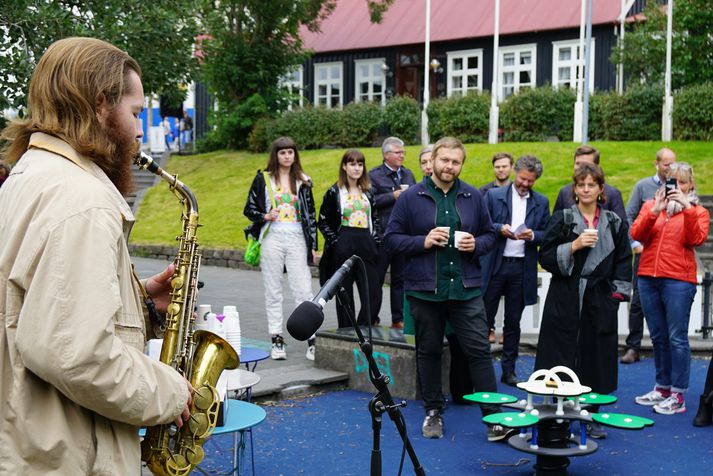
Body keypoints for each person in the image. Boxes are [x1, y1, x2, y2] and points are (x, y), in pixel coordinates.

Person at [0, 37, 191, 473]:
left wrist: (140, 302)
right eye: (136, 112)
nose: (141, 130)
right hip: (67, 454)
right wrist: (171, 392)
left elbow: (36, 310)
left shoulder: (28, 177)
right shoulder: (82, 200)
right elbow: (73, 352)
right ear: (102, 104)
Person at [385, 137, 506, 442]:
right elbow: (390, 239)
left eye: (456, 162)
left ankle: (493, 417)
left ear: (461, 164)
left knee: (479, 351)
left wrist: (476, 245)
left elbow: (490, 235)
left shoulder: (473, 196)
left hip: (466, 291)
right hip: (425, 291)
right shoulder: (411, 197)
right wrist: (422, 241)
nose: (449, 166)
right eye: (445, 160)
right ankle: (433, 411)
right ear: (433, 160)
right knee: (428, 352)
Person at [535, 163, 631, 439]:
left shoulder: (614, 221)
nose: (586, 189)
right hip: (564, 296)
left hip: (600, 298)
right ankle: (559, 415)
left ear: (601, 189)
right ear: (575, 189)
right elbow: (545, 257)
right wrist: (574, 246)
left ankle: (593, 413)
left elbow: (624, 261)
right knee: (560, 353)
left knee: (597, 355)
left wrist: (615, 296)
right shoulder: (563, 218)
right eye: (581, 185)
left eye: (592, 184)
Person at [631, 162, 709, 415]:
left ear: (690, 186)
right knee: (658, 337)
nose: (676, 187)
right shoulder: (651, 206)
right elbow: (637, 234)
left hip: (678, 280)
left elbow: (695, 239)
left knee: (677, 338)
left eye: (682, 182)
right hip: (648, 278)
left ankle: (678, 394)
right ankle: (662, 388)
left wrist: (686, 207)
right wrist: (655, 209)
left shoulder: (697, 211)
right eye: (671, 182)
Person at [244, 136, 318, 361]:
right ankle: (276, 337)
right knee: (273, 290)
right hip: (272, 236)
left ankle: (311, 338)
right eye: (282, 152)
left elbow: (310, 215)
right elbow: (249, 208)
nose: (287, 156)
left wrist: (313, 245)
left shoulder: (304, 181)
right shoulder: (263, 178)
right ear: (275, 155)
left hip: (297, 236)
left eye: (291, 152)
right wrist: (265, 215)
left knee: (303, 289)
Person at [482, 155, 550, 387]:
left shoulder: (541, 201)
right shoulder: (493, 196)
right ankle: (479, 370)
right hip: (495, 265)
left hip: (522, 268)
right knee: (482, 319)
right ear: (514, 173)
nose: (525, 184)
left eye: (530, 181)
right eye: (522, 179)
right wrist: (500, 228)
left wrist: (533, 235)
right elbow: (481, 225)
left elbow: (548, 233)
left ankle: (508, 370)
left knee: (513, 322)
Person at [620, 147, 677, 364]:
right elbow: (629, 216)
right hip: (644, 254)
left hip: (669, 255)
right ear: (656, 163)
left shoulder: (678, 187)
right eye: (666, 164)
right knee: (638, 302)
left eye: (673, 164)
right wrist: (634, 243)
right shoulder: (643, 186)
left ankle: (663, 347)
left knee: (668, 300)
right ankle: (633, 346)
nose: (670, 168)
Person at [318, 149, 380, 328]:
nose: (357, 168)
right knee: (345, 294)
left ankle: (362, 328)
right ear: (344, 167)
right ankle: (346, 331)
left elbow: (375, 218)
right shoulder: (334, 191)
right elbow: (322, 221)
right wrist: (336, 242)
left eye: (360, 164)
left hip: (366, 244)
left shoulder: (368, 191)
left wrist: (376, 240)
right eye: (352, 164)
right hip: (344, 243)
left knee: (373, 293)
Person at [369, 136, 416, 329]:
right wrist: (392, 196)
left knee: (400, 279)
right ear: (386, 154)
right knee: (376, 279)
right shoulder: (374, 175)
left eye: (403, 152)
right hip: (382, 235)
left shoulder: (408, 174)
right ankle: (371, 317)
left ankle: (398, 319)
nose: (402, 156)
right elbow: (370, 201)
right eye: (398, 152)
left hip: (403, 235)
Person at [552, 145, 626, 223]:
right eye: (577, 163)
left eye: (585, 164)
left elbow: (622, 228)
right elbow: (554, 226)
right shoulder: (564, 193)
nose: (580, 168)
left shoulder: (612, 194)